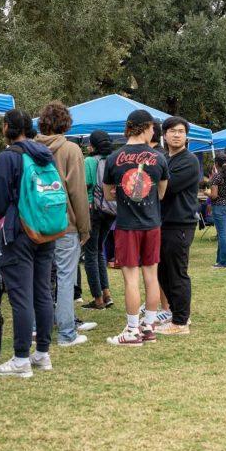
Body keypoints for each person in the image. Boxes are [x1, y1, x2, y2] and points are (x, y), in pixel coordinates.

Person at [0, 108, 60, 377]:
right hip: (45, 229)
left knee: (21, 296)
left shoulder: (8, 157)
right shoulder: (43, 154)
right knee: (42, 291)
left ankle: (20, 359)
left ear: (7, 127)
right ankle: (42, 353)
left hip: (18, 232)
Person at [103, 109, 168, 345]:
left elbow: (109, 193)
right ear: (146, 127)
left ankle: (132, 331)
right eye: (152, 127)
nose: (154, 131)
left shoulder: (113, 158)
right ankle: (148, 326)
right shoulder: (159, 158)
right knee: (151, 276)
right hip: (152, 223)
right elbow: (161, 192)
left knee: (131, 279)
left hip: (127, 224)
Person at [36, 101, 93, 348]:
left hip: (36, 223)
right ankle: (67, 333)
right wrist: (84, 227)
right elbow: (77, 192)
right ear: (66, 124)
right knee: (66, 278)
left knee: (40, 278)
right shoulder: (70, 150)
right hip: (66, 223)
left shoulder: (30, 148)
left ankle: (40, 327)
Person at [157, 116, 201, 334]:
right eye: (172, 131)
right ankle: (177, 314)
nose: (176, 134)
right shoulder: (166, 158)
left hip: (180, 224)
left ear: (186, 136)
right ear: (164, 135)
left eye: (181, 131)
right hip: (163, 223)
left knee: (176, 273)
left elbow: (167, 188)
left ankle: (181, 322)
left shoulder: (189, 160)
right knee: (163, 272)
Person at [82, 130, 115, 310]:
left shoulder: (89, 161)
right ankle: (106, 293)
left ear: (92, 145)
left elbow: (85, 185)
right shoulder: (113, 159)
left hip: (93, 210)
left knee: (90, 253)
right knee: (100, 251)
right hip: (110, 210)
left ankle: (97, 299)